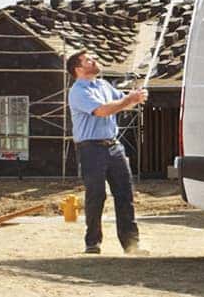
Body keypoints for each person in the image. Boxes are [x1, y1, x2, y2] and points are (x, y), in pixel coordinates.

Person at [66, 50, 149, 255]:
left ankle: (132, 244)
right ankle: (92, 242)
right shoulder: (77, 91)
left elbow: (122, 104)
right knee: (96, 195)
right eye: (88, 60)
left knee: (125, 194)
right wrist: (128, 99)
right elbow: (102, 110)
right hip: (90, 148)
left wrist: (136, 98)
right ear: (78, 69)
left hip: (113, 146)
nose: (94, 61)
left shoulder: (103, 85)